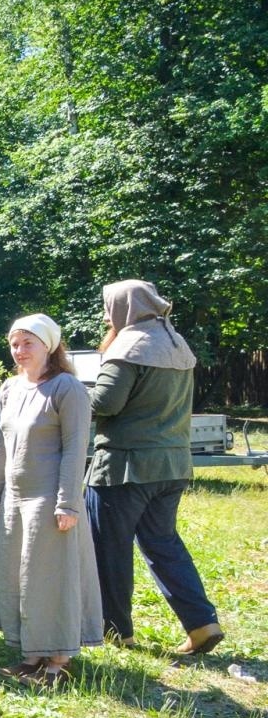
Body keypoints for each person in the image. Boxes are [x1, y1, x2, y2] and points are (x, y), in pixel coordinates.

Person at [86, 281, 224, 656]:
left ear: (123, 307)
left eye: (109, 306)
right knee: (163, 544)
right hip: (173, 464)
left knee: (109, 548)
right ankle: (202, 623)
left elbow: (106, 402)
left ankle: (116, 631)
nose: (105, 315)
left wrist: (65, 391)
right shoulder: (176, 344)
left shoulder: (128, 346)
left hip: (124, 466)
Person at [0, 315, 103, 685]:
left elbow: (74, 450)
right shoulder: (11, 388)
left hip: (49, 499)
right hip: (15, 501)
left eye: (27, 343)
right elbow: (0, 446)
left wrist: (67, 503)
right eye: (14, 344)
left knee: (49, 579)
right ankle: (32, 656)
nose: (19, 351)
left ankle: (58, 662)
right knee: (18, 579)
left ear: (48, 345)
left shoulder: (67, 389)